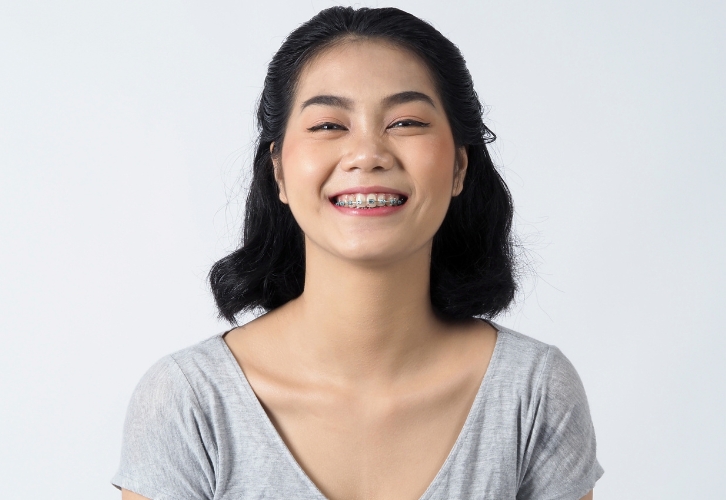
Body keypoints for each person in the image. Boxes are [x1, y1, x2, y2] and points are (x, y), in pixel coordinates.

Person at [113, 6, 603, 499]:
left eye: (406, 121)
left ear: (459, 166)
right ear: (279, 170)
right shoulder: (189, 402)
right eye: (328, 125)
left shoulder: (534, 392)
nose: (368, 153)